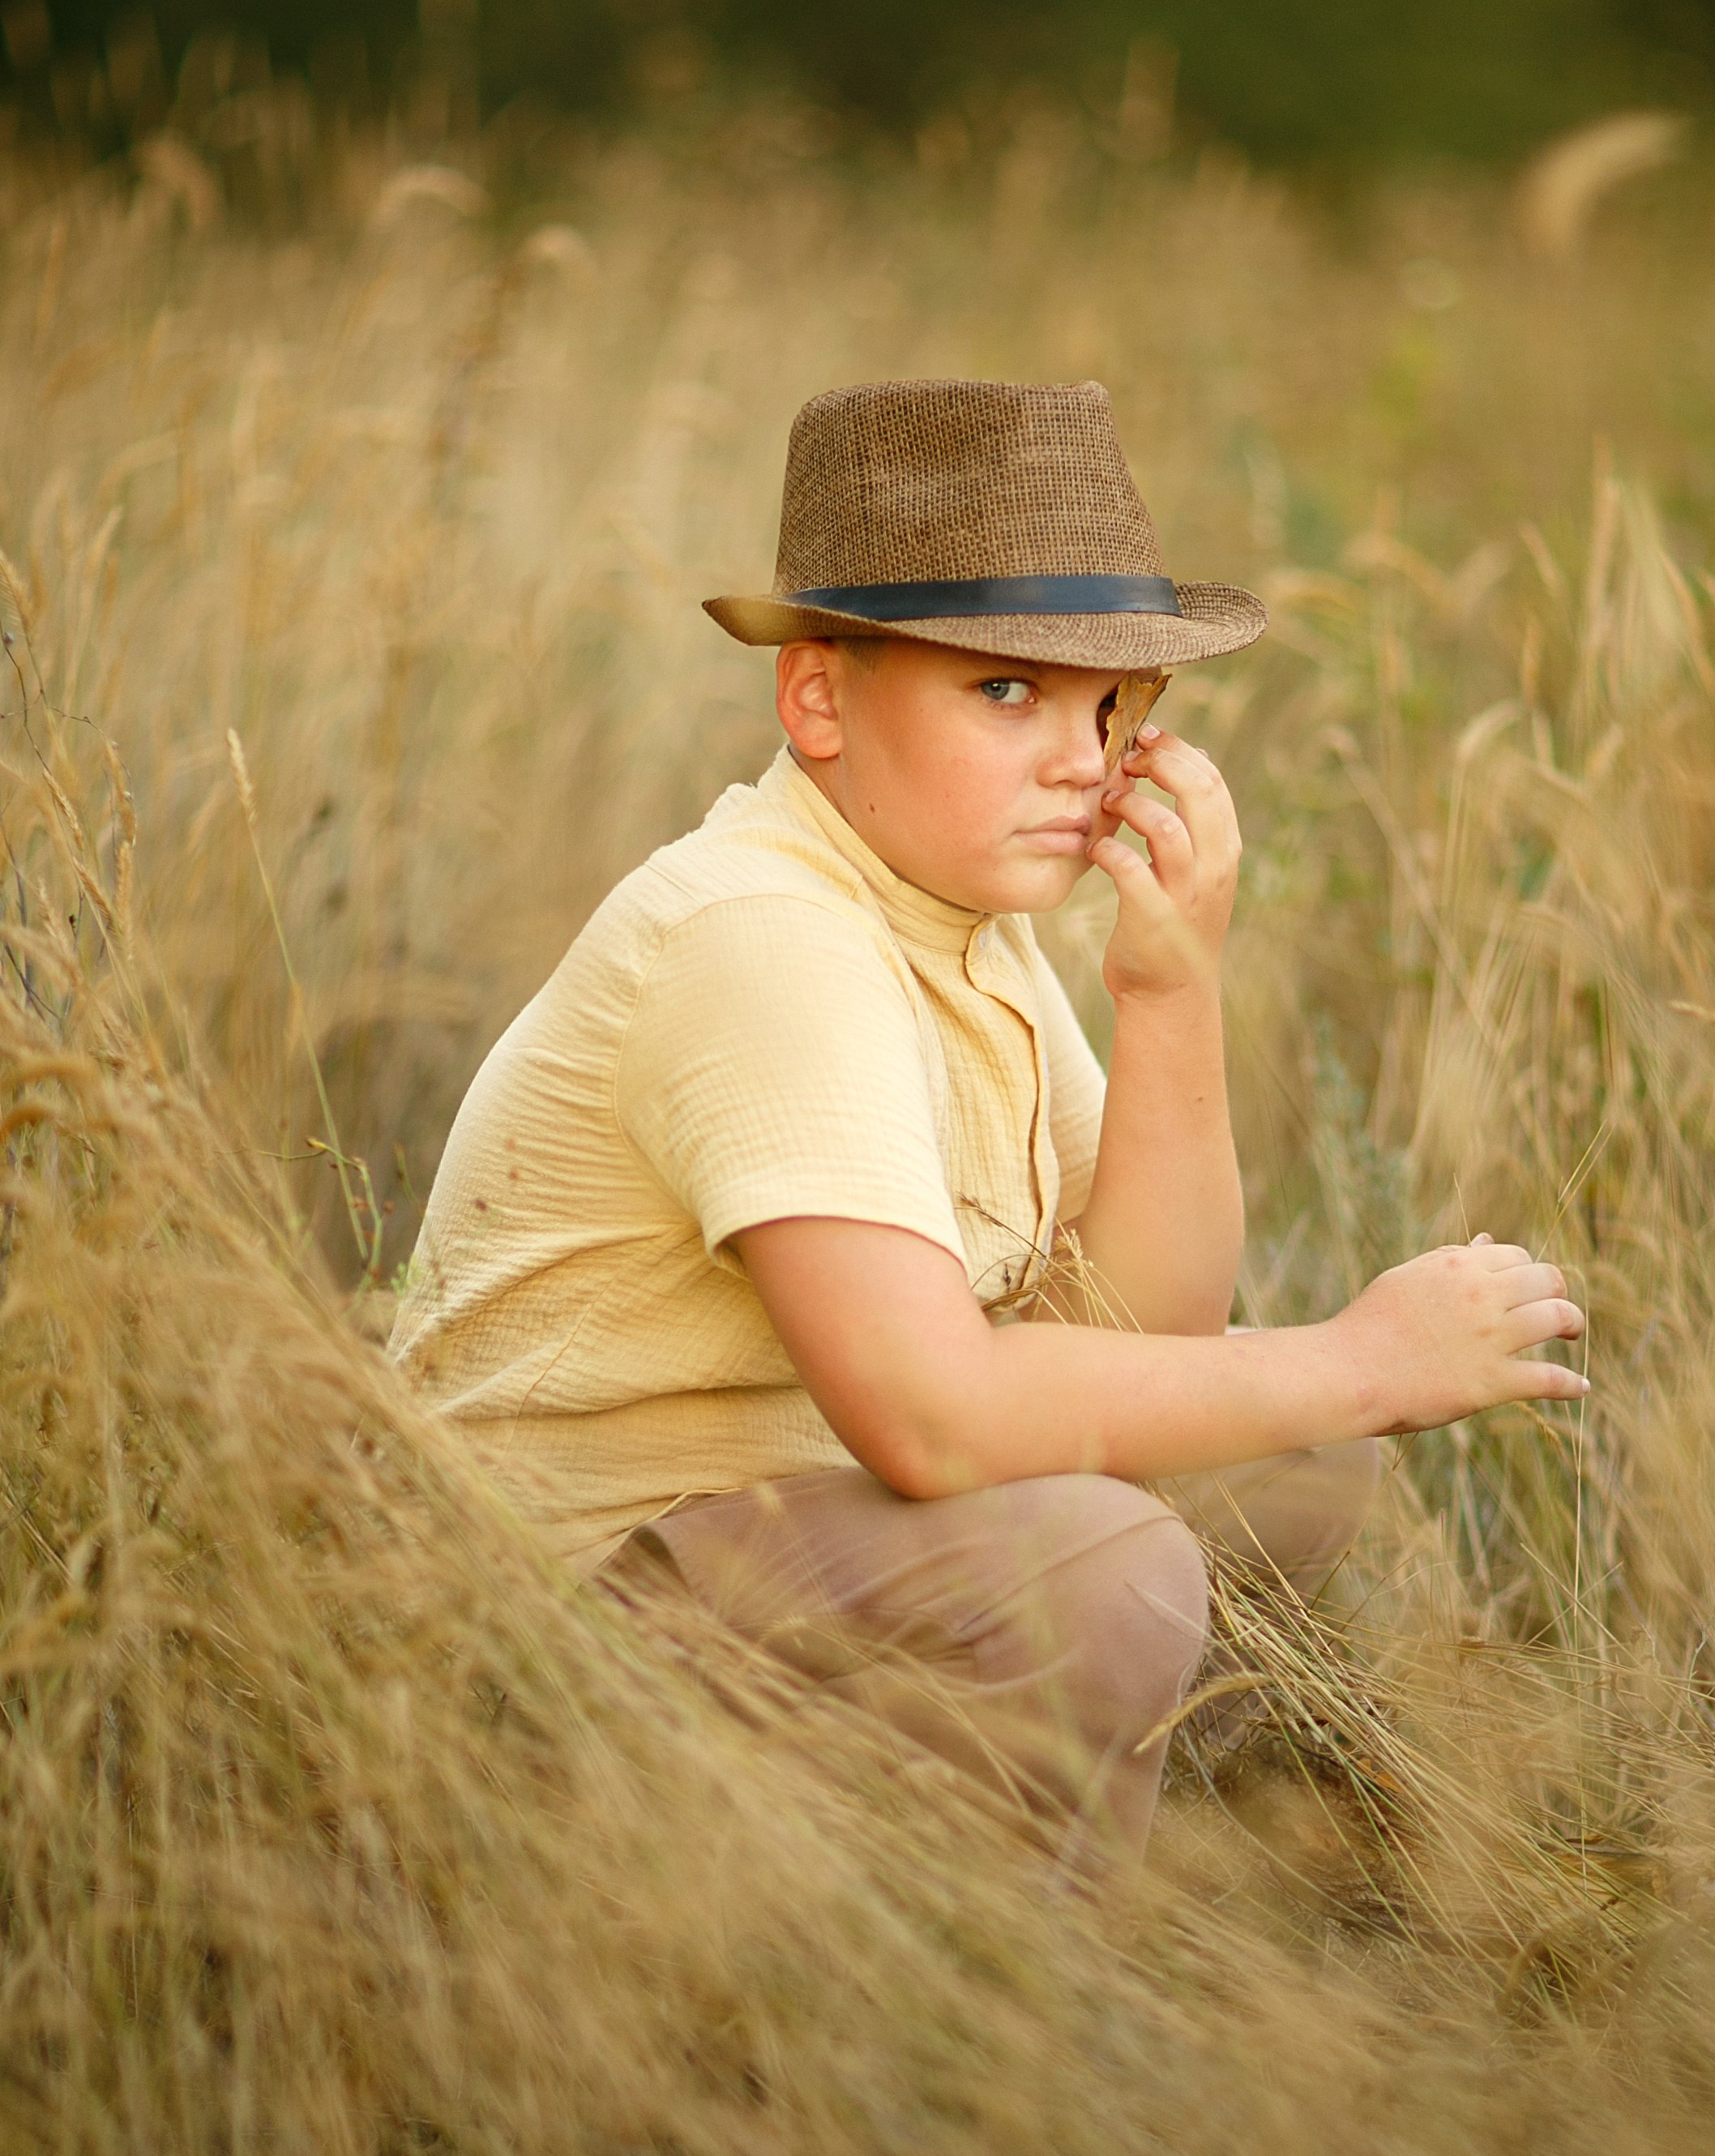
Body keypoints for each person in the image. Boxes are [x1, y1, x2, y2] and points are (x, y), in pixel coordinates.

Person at [389, 379, 1587, 1872]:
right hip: (542, 1638)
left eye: (1112, 706)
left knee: (1295, 1459)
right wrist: (1357, 1357)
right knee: (1117, 1549)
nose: (1083, 759)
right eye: (1007, 690)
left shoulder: (960, 921)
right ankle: (943, 1961)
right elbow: (931, 1416)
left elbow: (1142, 1330)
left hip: (791, 1546)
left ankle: (920, 1856)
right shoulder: (761, 933)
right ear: (818, 699)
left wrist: (1170, 990)